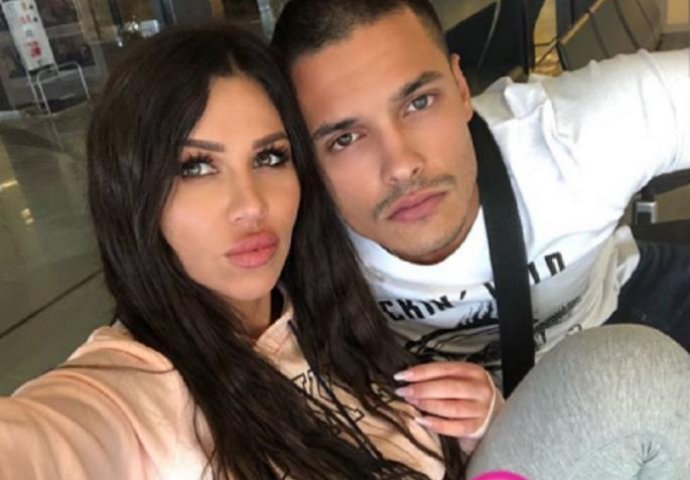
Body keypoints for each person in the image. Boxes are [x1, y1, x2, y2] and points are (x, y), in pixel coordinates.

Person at [1, 22, 690, 480]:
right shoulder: (129, 393)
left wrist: (486, 424)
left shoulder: (328, 311)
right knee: (626, 373)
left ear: (460, 88)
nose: (250, 204)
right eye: (196, 167)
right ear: (131, 191)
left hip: (596, 328)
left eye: (269, 157)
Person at [271, 0, 690, 383]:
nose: (400, 166)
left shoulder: (568, 138)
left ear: (460, 88)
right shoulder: (291, 229)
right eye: (344, 139)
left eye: (419, 103)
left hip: (616, 314)